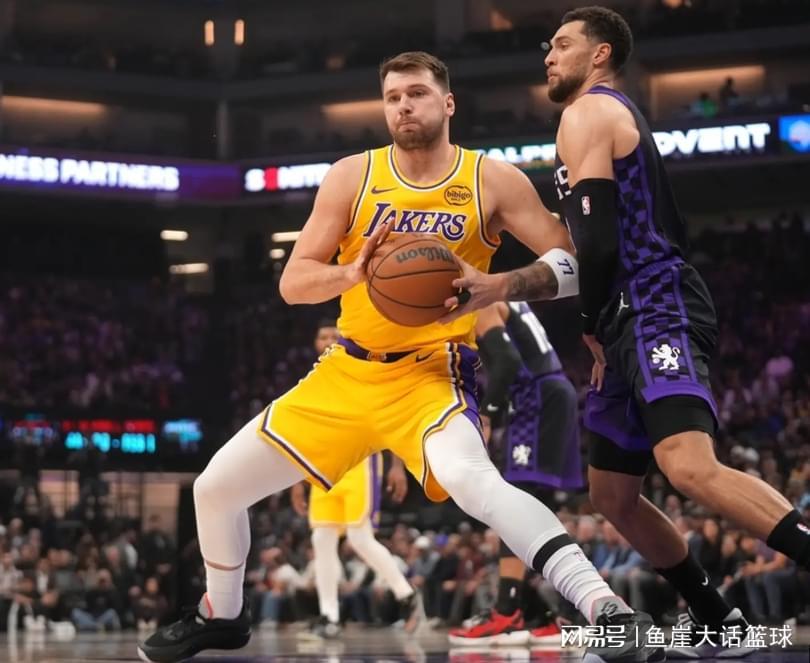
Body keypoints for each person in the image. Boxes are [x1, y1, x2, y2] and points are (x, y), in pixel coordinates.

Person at [139, 50, 657, 663]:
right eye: (392, 97)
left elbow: (574, 260)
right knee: (215, 488)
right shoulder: (351, 176)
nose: (403, 106)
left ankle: (606, 609)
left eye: (416, 93)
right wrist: (351, 273)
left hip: (431, 372)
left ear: (448, 103)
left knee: (474, 482)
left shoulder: (492, 180)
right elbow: (293, 282)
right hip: (346, 371)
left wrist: (499, 286)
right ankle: (221, 615)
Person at [447, 5, 810, 659]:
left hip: (652, 302)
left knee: (688, 465)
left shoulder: (588, 112)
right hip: (625, 316)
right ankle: (718, 618)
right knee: (612, 493)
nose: (548, 55)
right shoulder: (593, 116)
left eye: (562, 44)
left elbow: (596, 240)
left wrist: (588, 323)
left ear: (600, 54)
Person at [449, 301, 582, 647]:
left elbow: (507, 360)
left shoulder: (481, 301)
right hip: (548, 393)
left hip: (535, 398)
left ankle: (508, 612)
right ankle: (543, 613)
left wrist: (487, 414)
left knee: (516, 504)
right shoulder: (509, 297)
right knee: (534, 507)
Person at [290, 319, 419, 638]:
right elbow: (301, 433)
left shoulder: (364, 368)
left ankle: (406, 594)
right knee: (321, 541)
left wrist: (397, 466)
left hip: (360, 465)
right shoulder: (311, 382)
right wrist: (295, 480)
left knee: (360, 539)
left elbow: (388, 418)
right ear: (315, 344)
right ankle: (329, 616)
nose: (328, 340)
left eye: (333, 335)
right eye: (322, 336)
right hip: (324, 469)